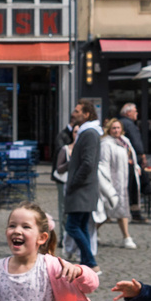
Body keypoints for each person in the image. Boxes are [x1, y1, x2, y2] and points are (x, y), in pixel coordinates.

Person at [63, 101, 102, 267]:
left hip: (82, 189)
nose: (74, 113)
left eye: (77, 111)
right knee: (81, 226)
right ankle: (88, 261)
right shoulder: (88, 133)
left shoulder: (89, 133)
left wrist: (73, 182)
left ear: (86, 114)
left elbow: (87, 163)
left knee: (72, 227)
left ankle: (91, 262)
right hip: (84, 188)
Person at [97, 118, 137, 249]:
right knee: (106, 213)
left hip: (124, 180)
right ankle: (126, 237)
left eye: (118, 128)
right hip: (112, 182)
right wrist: (107, 183)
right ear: (109, 130)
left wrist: (136, 167)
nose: (116, 130)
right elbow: (104, 164)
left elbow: (131, 156)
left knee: (120, 210)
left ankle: (126, 237)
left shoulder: (124, 141)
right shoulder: (106, 144)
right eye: (113, 128)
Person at [118, 103, 148, 222]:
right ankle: (134, 212)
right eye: (135, 111)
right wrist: (142, 154)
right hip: (131, 160)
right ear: (128, 112)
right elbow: (136, 142)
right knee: (133, 186)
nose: (137, 113)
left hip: (126, 160)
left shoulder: (122, 123)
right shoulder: (129, 125)